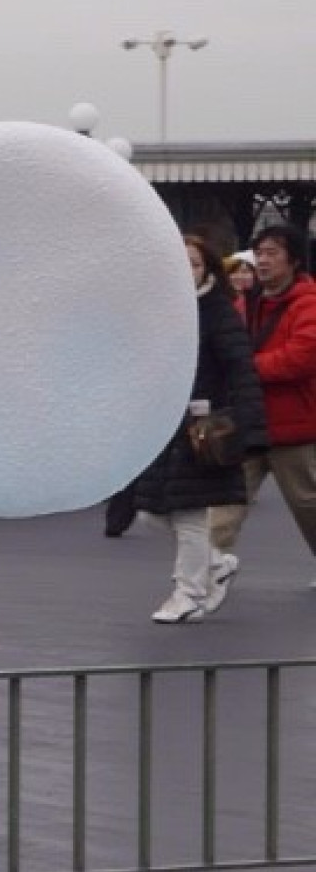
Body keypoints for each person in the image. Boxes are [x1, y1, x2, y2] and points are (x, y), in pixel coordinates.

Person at [134, 235, 265, 622]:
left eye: (193, 263)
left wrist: (247, 424)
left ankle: (187, 592)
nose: (185, 270)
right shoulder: (162, 311)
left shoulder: (216, 312)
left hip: (203, 427)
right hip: (166, 424)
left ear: (207, 269)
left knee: (188, 511)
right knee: (151, 513)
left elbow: (241, 368)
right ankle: (216, 563)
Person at [210, 216, 316, 584]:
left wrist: (246, 368)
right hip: (249, 422)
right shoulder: (246, 304)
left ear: (294, 260)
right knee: (225, 504)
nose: (263, 259)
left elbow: (302, 356)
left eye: (272, 252)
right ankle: (203, 573)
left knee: (308, 506)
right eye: (259, 252)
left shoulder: (309, 303)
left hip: (294, 427)